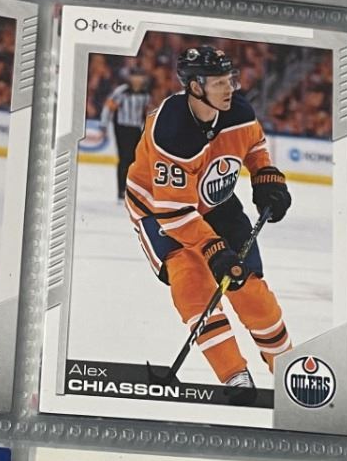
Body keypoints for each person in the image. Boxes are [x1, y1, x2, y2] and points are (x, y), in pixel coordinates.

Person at [124, 43, 292, 396]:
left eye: (230, 79)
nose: (229, 88)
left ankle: (287, 368)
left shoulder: (239, 111)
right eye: (218, 83)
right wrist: (213, 249)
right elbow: (175, 213)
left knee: (248, 286)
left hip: (215, 203)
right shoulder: (172, 132)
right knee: (193, 284)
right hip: (159, 210)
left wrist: (265, 176)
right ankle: (233, 373)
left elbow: (255, 145)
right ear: (195, 87)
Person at [102, 63, 151, 199]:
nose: (137, 79)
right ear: (130, 77)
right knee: (124, 158)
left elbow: (146, 112)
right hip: (122, 128)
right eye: (135, 76)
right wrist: (104, 125)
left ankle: (132, 188)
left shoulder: (145, 93)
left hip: (136, 128)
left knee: (136, 159)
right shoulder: (122, 91)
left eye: (140, 76)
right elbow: (109, 107)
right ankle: (121, 189)